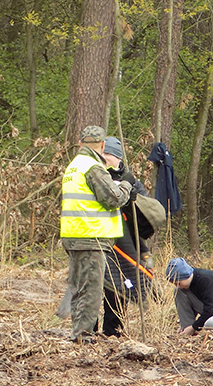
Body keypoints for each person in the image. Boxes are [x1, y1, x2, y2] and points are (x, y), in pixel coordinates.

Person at [61, 126, 132, 342]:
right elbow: (113, 198)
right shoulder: (93, 168)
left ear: (81, 142)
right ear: (102, 146)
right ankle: (83, 336)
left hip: (73, 236)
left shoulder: (73, 166)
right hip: (91, 238)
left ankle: (79, 333)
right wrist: (127, 184)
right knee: (91, 291)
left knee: (78, 288)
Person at [100, 137, 153, 337]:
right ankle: (88, 332)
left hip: (125, 245)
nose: (104, 158)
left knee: (120, 288)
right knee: (95, 287)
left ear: (117, 157)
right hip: (99, 240)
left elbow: (145, 216)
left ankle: (112, 331)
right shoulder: (96, 177)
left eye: (108, 155)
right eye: (102, 154)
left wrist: (132, 202)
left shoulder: (132, 181)